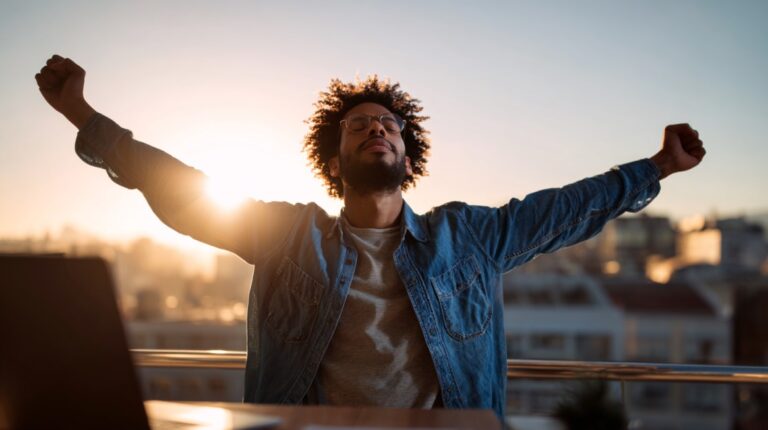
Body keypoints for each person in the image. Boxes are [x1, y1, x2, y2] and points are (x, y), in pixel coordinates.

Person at [35, 55, 705, 420]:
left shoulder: (467, 238)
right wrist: (85, 117)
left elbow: (566, 209)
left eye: (388, 123)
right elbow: (180, 189)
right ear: (334, 161)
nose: (374, 128)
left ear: (410, 158)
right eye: (357, 125)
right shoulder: (285, 235)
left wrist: (658, 168)